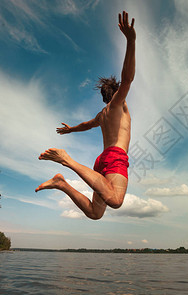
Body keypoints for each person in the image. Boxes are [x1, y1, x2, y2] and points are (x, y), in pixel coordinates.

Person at [35, 11, 135, 220]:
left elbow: (85, 125)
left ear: (102, 97)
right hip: (115, 156)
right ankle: (67, 160)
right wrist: (131, 41)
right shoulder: (119, 103)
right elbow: (127, 79)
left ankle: (61, 183)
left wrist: (70, 129)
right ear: (115, 93)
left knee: (94, 212)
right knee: (115, 200)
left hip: (101, 161)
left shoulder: (102, 115)